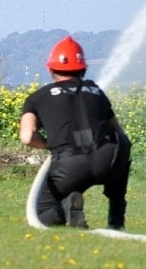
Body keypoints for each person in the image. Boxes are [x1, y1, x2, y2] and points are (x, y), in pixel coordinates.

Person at [18, 36, 132, 230]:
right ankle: (116, 223)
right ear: (83, 67)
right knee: (121, 144)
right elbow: (119, 132)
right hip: (108, 159)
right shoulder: (96, 91)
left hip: (70, 164)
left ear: (50, 68)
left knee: (42, 214)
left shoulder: (38, 97)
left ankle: (66, 206)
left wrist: (49, 144)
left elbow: (27, 137)